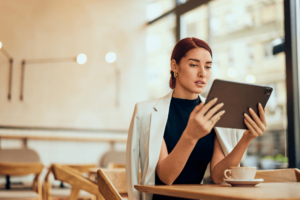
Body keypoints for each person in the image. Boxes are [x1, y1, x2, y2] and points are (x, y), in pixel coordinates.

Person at [126, 37, 267, 200]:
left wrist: (247, 138)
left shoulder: (215, 111)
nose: (203, 73)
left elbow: (218, 176)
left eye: (208, 66)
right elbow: (167, 177)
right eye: (193, 64)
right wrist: (191, 136)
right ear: (174, 66)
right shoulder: (148, 112)